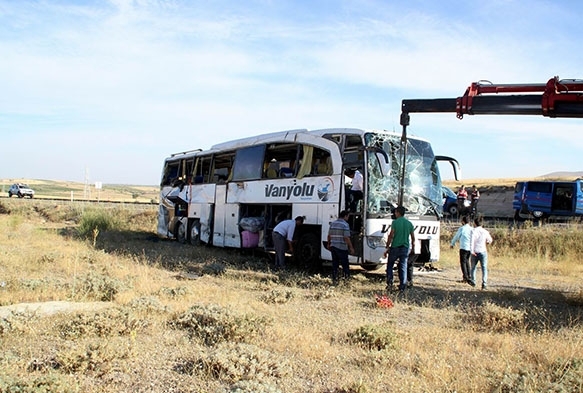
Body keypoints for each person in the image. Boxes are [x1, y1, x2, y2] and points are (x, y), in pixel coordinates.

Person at [383, 206, 415, 293]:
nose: (395, 214)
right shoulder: (409, 223)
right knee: (403, 266)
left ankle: (390, 284)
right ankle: (402, 286)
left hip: (395, 247)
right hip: (405, 248)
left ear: (398, 212)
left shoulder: (395, 223)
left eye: (395, 212)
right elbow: (413, 237)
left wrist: (387, 246)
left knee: (390, 265)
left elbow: (391, 235)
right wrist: (413, 247)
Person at [326, 210, 355, 284]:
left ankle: (335, 280)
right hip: (341, 247)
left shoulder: (333, 223)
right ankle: (346, 280)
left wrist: (329, 244)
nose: (348, 218)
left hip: (333, 246)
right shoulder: (345, 225)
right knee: (345, 265)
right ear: (345, 216)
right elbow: (346, 238)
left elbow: (329, 236)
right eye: (348, 216)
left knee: (335, 264)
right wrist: (351, 247)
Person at [470, 217, 493, 289]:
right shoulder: (485, 231)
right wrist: (487, 242)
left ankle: (473, 281)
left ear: (474, 223)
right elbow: (490, 240)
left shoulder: (473, 231)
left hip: (475, 251)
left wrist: (471, 251)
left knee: (473, 267)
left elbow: (471, 242)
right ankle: (484, 283)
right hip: (483, 251)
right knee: (484, 268)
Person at [450, 215, 473, 284]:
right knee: (467, 262)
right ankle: (469, 276)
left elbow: (456, 236)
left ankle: (465, 277)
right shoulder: (472, 229)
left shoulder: (462, 229)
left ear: (463, 221)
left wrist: (452, 244)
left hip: (463, 247)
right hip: (470, 248)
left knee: (463, 262)